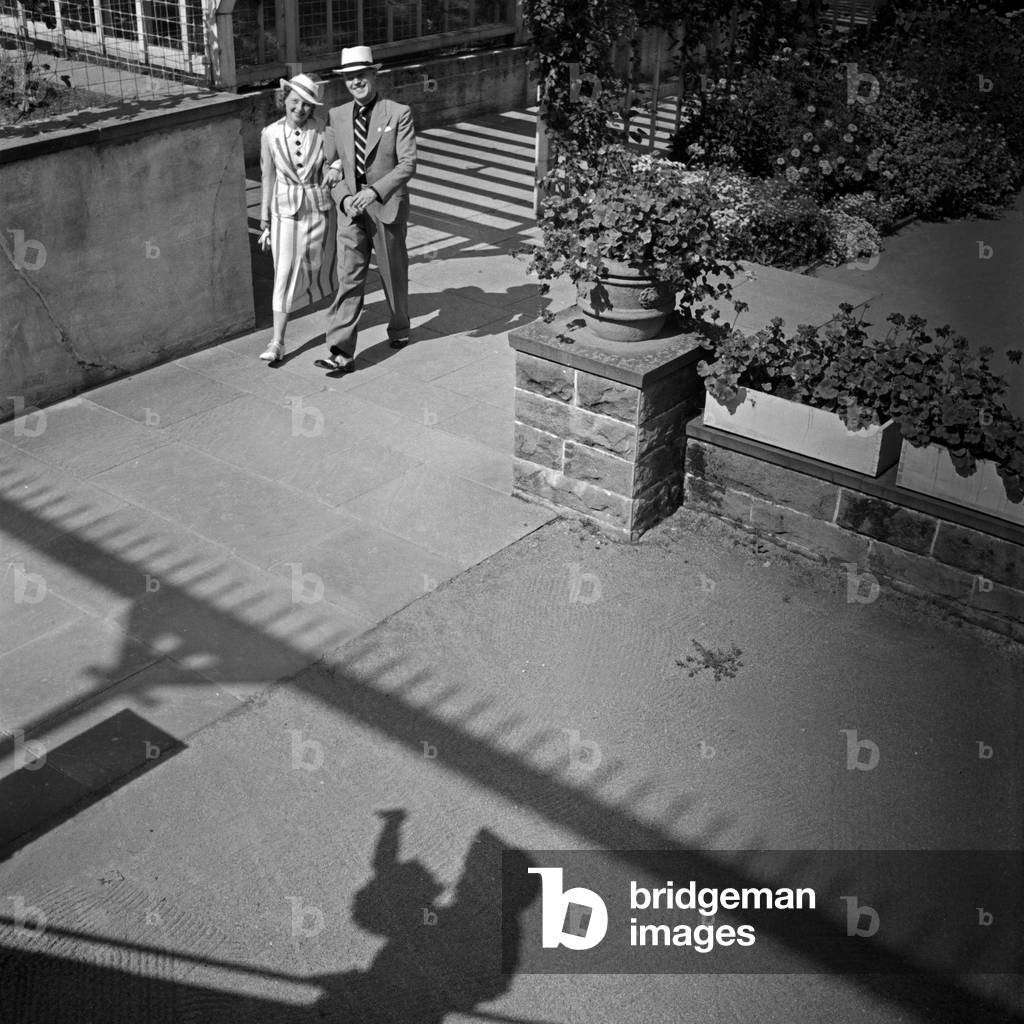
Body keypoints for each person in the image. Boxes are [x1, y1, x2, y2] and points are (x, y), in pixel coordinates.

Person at [315, 46, 416, 374]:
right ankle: (340, 352)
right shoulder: (337, 116)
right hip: (351, 212)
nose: (355, 82)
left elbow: (407, 164)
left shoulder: (398, 113)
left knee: (393, 273)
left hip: (385, 207)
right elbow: (330, 166)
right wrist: (344, 198)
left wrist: (374, 191)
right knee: (349, 277)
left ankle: (400, 325)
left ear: (375, 74)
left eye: (361, 75)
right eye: (349, 77)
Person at [257, 73, 337, 364]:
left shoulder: (323, 129)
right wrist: (264, 220)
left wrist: (336, 167)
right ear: (284, 100)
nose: (299, 109)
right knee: (284, 273)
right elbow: (267, 177)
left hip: (320, 209)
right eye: (294, 102)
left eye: (305, 104)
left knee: (326, 270)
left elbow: (336, 158)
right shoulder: (269, 133)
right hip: (285, 213)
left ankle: (338, 333)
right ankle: (277, 341)